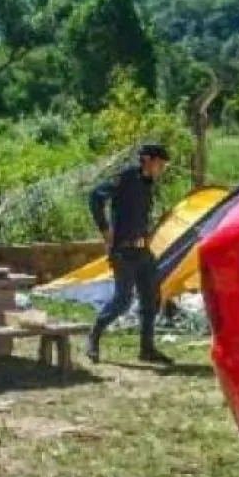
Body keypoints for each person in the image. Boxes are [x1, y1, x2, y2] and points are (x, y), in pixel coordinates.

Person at [85, 143, 173, 365]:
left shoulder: (148, 183)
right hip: (123, 252)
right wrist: (105, 231)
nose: (161, 169)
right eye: (160, 164)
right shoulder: (125, 177)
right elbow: (95, 197)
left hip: (143, 251)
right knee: (122, 300)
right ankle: (93, 336)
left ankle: (147, 349)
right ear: (148, 160)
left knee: (151, 299)